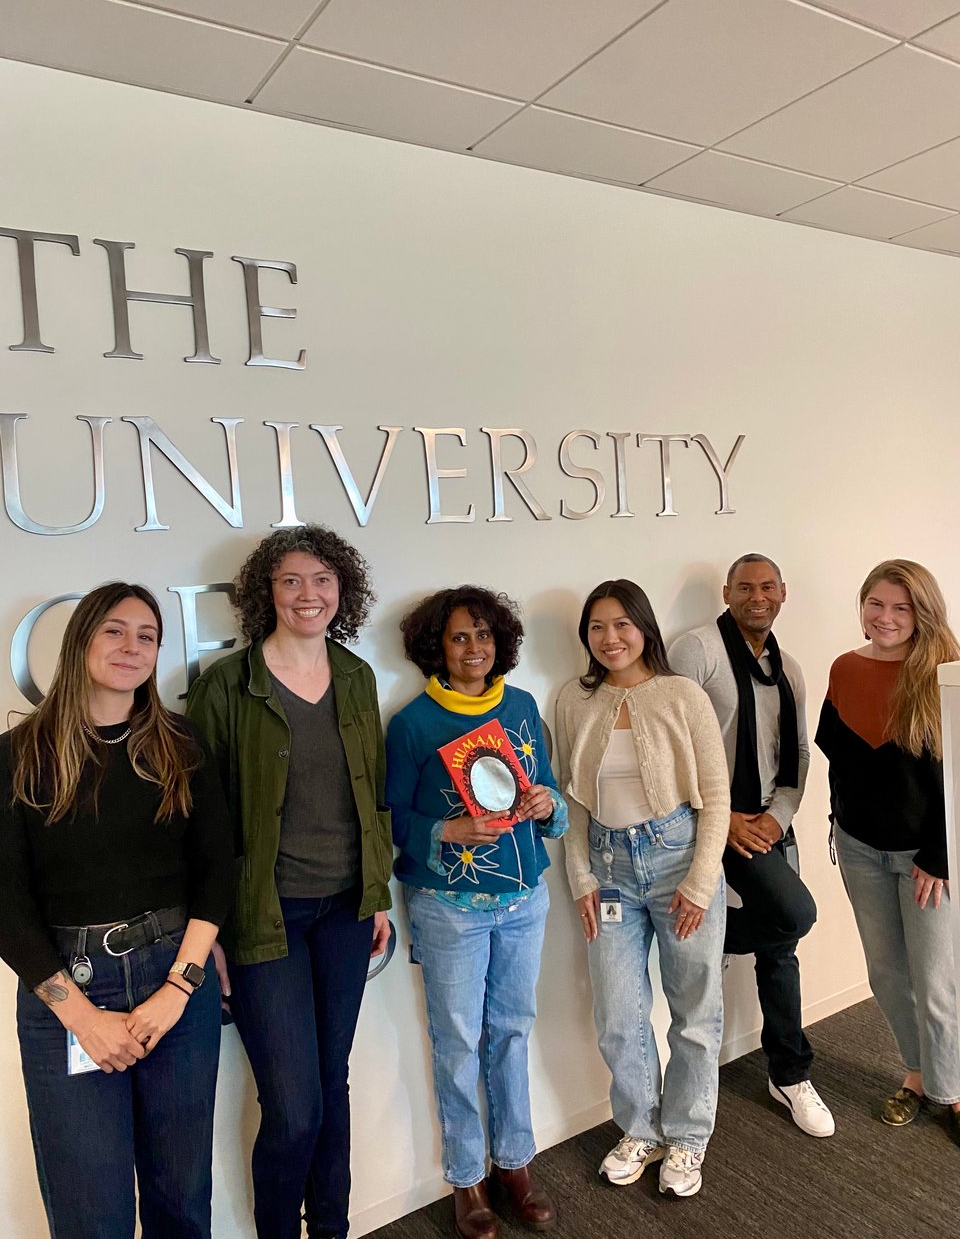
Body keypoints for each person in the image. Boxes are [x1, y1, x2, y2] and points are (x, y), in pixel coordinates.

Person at [0, 581, 233, 1239]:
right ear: (81, 642)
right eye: (114, 630)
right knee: (89, 1212)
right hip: (65, 994)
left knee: (182, 1198)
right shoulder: (19, 756)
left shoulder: (179, 745)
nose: (132, 646)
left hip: (173, 982)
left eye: (147, 636)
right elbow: (6, 901)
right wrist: (83, 1019)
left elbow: (217, 871)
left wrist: (178, 990)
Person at [185, 526, 393, 1239]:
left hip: (345, 912)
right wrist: (205, 931)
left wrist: (376, 895)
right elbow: (200, 822)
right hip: (261, 920)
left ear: (344, 590)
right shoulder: (225, 687)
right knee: (294, 1105)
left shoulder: (358, 676)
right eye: (291, 581)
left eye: (323, 580)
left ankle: (330, 1229)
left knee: (330, 1090)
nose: (310, 595)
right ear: (264, 594)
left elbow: (370, 800)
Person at [386, 586, 566, 1239]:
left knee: (512, 1029)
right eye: (460, 637)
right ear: (436, 645)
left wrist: (550, 806)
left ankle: (514, 1164)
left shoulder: (519, 705)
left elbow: (547, 793)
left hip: (525, 899)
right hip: (450, 907)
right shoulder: (413, 724)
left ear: (501, 643)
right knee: (457, 1041)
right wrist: (446, 832)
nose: (474, 649)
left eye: (484, 636)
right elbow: (392, 817)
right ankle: (468, 1176)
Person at [558, 579, 728, 1200]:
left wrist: (701, 882)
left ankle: (686, 1135)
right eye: (597, 627)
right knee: (618, 1014)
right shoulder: (573, 701)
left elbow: (715, 796)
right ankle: (640, 1129)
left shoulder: (683, 696)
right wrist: (580, 878)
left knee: (694, 1010)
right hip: (607, 870)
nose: (610, 638)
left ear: (644, 628)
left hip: (678, 858)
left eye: (622, 624)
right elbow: (571, 802)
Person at [669, 554, 834, 1138]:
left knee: (782, 944)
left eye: (767, 586)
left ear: (783, 593)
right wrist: (726, 818)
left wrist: (778, 817)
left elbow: (800, 753)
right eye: (745, 587)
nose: (756, 596)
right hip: (714, 824)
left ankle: (789, 1075)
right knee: (795, 914)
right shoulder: (697, 651)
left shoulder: (788, 667)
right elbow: (674, 743)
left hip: (770, 825)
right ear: (727, 592)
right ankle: (713, 934)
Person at [816, 559, 960, 1145]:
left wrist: (940, 854)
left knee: (935, 980)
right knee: (886, 973)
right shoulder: (845, 668)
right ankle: (918, 1074)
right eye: (876, 603)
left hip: (927, 858)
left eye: (901, 607)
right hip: (859, 849)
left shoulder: (947, 675)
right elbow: (837, 754)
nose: (886, 617)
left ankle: (951, 1090)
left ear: (922, 612)